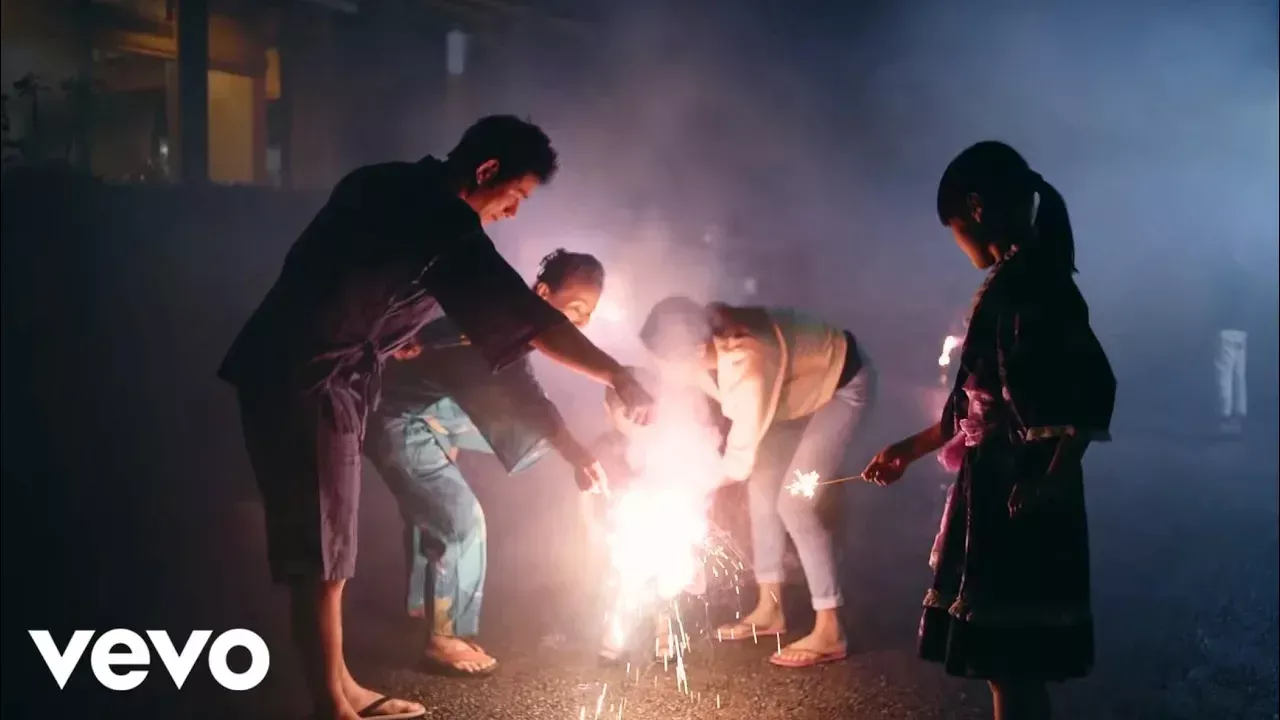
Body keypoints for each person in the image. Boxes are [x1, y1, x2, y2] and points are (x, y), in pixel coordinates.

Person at [218, 116, 652, 720]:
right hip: (309, 377)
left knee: (331, 546)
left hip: (314, 373)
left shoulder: (382, 182)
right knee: (319, 552)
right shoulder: (441, 220)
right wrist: (618, 375)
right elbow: (530, 321)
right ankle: (330, 707)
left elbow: (344, 276)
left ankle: (340, 686)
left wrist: (385, 334)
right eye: (516, 195)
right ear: (486, 170)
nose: (512, 212)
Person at [862, 141, 1116, 720]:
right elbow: (973, 402)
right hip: (1000, 486)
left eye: (954, 227)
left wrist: (1050, 479)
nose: (957, 242)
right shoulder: (1015, 281)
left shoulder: (1033, 284)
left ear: (975, 208)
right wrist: (909, 449)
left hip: (1018, 493)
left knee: (1012, 660)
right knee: (1008, 663)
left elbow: (1086, 388)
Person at [367, 249, 610, 676]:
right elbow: (527, 394)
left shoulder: (501, 321)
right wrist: (576, 452)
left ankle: (427, 603)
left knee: (529, 433)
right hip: (394, 417)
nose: (582, 323)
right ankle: (444, 639)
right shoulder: (493, 324)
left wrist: (572, 452)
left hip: (429, 409)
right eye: (576, 309)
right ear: (542, 293)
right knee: (460, 520)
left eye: (590, 314)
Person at [638, 297, 873, 669]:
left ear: (693, 350)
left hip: (841, 387)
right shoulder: (707, 350)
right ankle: (769, 609)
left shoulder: (746, 361)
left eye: (665, 362)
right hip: (791, 395)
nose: (662, 372)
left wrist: (690, 489)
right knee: (761, 489)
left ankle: (830, 629)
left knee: (794, 502)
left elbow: (739, 459)